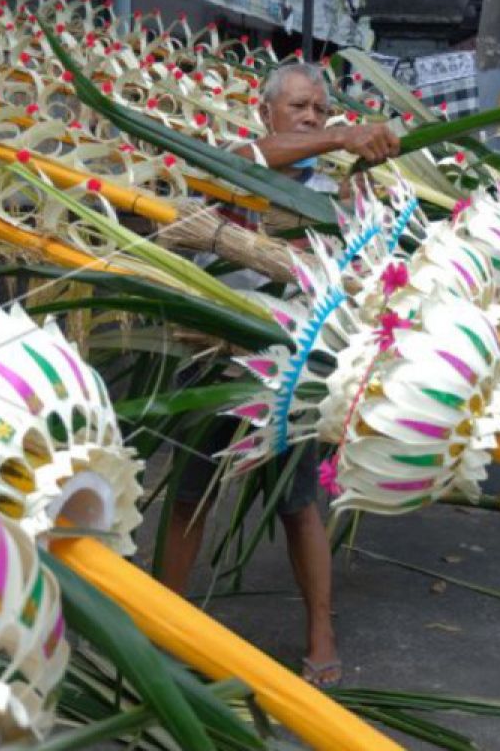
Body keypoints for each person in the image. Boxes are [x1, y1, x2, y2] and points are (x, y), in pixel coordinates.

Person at [158, 63, 400, 689]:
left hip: (291, 365)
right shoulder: (237, 162)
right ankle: (164, 624)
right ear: (266, 111)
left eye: (321, 110)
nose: (313, 118)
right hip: (209, 349)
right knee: (189, 493)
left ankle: (321, 630)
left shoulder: (330, 194)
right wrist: (343, 136)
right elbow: (254, 158)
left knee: (299, 507)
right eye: (299, 107)